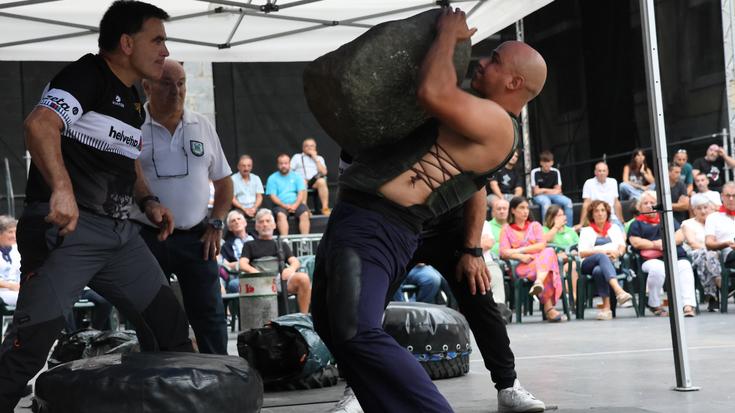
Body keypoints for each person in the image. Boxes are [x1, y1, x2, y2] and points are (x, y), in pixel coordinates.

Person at [313, 8, 547, 413]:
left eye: (494, 61)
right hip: (357, 214)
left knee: (357, 329)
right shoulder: (477, 111)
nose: (482, 62)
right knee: (329, 322)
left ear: (514, 81)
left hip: (382, 223)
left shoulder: (498, 123)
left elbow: (433, 92)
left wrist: (447, 34)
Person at [0, 2, 194, 409]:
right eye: (157, 39)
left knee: (171, 326)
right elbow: (39, 124)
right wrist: (63, 190)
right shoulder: (85, 75)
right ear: (126, 43)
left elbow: (127, 155)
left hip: (120, 235)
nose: (164, 50)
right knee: (28, 348)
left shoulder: (133, 96)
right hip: (69, 233)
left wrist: (148, 200)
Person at [134, 59, 234, 354]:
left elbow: (224, 182)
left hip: (196, 237)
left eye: (181, 83)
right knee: (152, 316)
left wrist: (216, 223)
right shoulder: (133, 126)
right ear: (147, 86)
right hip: (147, 236)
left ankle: (221, 380)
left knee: (210, 314)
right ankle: (159, 382)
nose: (175, 91)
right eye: (166, 83)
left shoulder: (201, 125)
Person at [628, 191, 697, 317]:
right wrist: (658, 244)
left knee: (684, 267)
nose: (649, 206)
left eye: (652, 203)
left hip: (675, 256)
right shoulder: (636, 223)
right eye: (645, 203)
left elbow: (680, 235)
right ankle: (654, 304)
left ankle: (687, 305)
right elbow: (636, 242)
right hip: (650, 260)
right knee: (658, 269)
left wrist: (664, 243)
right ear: (640, 207)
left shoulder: (667, 219)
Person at [499, 197, 564, 322]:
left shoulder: (535, 226)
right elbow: (503, 252)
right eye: (521, 208)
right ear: (513, 210)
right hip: (522, 265)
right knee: (548, 267)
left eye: (527, 208)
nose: (525, 211)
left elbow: (541, 245)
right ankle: (549, 309)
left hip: (539, 263)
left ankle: (539, 282)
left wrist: (518, 250)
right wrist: (520, 256)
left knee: (549, 251)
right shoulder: (506, 229)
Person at [239, 209, 311, 313]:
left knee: (304, 279)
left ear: (274, 225)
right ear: (256, 226)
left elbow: (295, 262)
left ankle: (303, 318)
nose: (265, 224)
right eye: (261, 222)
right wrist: (256, 273)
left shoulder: (281, 244)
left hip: (280, 280)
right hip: (259, 282)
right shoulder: (249, 245)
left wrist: (291, 269)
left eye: (268, 221)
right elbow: (242, 264)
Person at [577, 200, 632, 320]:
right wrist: (600, 252)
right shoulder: (586, 231)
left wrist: (617, 253)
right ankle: (619, 290)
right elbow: (582, 253)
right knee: (601, 258)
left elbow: (622, 246)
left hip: (611, 263)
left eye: (602, 210)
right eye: (596, 211)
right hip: (588, 263)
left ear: (607, 213)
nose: (600, 213)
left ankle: (606, 309)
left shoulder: (615, 228)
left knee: (599, 270)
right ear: (592, 214)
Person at [682, 197, 721, 311]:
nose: (703, 211)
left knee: (710, 257)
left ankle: (712, 296)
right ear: (693, 210)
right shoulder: (687, 223)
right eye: (699, 208)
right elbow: (692, 243)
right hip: (695, 255)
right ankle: (720, 283)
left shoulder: (715, 223)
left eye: (706, 208)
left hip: (716, 254)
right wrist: (712, 249)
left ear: (712, 209)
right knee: (706, 255)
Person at [704, 182, 735, 300]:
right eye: (728, 195)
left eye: (734, 195)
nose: (731, 199)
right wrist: (726, 243)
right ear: (722, 196)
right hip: (728, 254)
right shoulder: (714, 218)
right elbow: (709, 243)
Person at [266, 153, 310, 235]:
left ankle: (305, 241)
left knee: (305, 213)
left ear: (289, 164)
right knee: (280, 215)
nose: (283, 165)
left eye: (286, 163)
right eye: (281, 163)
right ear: (277, 165)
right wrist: (285, 206)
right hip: (280, 205)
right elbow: (272, 196)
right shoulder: (272, 178)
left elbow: (301, 193)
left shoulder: (297, 176)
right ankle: (285, 241)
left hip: (296, 203)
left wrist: (295, 205)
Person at [542, 205, 579, 301]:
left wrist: (570, 254)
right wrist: (556, 227)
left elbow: (578, 247)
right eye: (558, 216)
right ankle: (573, 298)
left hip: (571, 260)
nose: (563, 217)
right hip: (552, 263)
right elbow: (544, 242)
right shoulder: (544, 229)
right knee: (570, 267)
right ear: (551, 217)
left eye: (563, 215)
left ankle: (572, 296)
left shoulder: (570, 231)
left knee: (572, 265)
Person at [531, 150, 573, 225]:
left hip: (553, 195)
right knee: (546, 202)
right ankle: (546, 227)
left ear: (552, 162)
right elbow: (536, 192)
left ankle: (568, 228)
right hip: (540, 196)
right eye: (544, 161)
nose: (546, 164)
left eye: (548, 161)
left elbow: (558, 190)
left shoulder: (555, 171)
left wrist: (543, 190)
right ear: (541, 163)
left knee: (568, 202)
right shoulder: (535, 172)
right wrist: (551, 190)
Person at [291, 138, 331, 215]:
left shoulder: (319, 158)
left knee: (322, 181)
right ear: (303, 148)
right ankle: (305, 208)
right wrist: (297, 178)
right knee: (302, 182)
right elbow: (290, 170)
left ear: (315, 148)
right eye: (307, 146)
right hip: (301, 181)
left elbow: (324, 172)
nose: (309, 148)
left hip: (314, 181)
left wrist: (315, 158)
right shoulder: (297, 157)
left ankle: (325, 208)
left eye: (312, 146)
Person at [580, 161, 624, 230]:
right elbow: (586, 204)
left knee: (622, 234)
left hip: (611, 218)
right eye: (599, 171)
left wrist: (622, 221)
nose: (602, 173)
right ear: (595, 172)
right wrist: (581, 223)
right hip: (595, 218)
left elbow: (616, 203)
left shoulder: (613, 182)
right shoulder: (588, 183)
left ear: (607, 172)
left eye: (604, 171)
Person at [231, 154, 264, 219]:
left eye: (249, 166)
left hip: (255, 209)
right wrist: (244, 209)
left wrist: (254, 208)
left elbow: (259, 196)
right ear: (238, 166)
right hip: (239, 209)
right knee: (236, 218)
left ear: (251, 167)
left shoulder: (256, 178)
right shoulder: (232, 179)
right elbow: (232, 198)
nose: (246, 168)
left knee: (266, 216)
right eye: (243, 166)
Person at [0, 216, 20, 307]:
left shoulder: (17, 249)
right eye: (10, 232)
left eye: (15, 232)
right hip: (3, 291)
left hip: (18, 288)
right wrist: (10, 286)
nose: (14, 236)